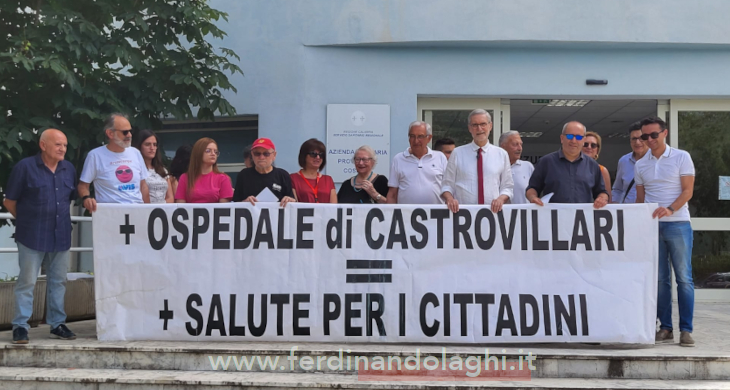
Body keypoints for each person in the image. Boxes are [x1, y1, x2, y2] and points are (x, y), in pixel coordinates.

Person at [3, 129, 78, 344]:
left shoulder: (68, 169)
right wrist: (28, 220)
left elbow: (68, 199)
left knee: (59, 281)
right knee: (27, 282)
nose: (63, 148)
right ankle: (20, 326)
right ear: (43, 145)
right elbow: (9, 201)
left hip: (61, 234)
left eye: (64, 145)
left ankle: (57, 324)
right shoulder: (25, 167)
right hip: (31, 235)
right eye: (57, 144)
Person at [634, 116, 696, 347]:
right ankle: (666, 328)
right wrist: (638, 223)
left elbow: (688, 191)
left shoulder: (681, 157)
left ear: (664, 133)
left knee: (684, 279)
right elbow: (640, 199)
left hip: (678, 223)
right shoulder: (640, 164)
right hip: (652, 227)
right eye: (644, 136)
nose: (649, 139)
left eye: (653, 135)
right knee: (660, 280)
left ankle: (686, 330)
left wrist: (670, 209)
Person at [441, 109, 513, 213]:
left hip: (493, 214)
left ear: (490, 126)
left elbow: (507, 186)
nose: (479, 129)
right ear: (469, 128)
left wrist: (500, 199)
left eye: (483, 124)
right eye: (475, 125)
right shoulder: (457, 153)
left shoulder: (501, 154)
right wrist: (450, 199)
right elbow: (447, 185)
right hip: (463, 215)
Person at [526, 121, 608, 208]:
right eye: (569, 136)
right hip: (553, 218)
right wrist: (533, 197)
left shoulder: (593, 165)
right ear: (562, 138)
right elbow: (532, 188)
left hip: (582, 219)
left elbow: (602, 192)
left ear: (583, 140)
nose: (574, 140)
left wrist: (601, 198)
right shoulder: (546, 162)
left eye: (579, 137)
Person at [78, 113, 149, 212]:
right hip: (110, 214)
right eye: (125, 132)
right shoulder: (95, 155)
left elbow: (143, 185)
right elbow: (83, 186)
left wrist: (148, 210)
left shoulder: (135, 153)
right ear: (110, 133)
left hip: (137, 212)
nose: (129, 135)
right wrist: (86, 198)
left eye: (130, 131)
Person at [387, 121, 447, 204]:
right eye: (412, 136)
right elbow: (392, 194)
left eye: (420, 136)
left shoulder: (440, 157)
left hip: (436, 214)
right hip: (406, 214)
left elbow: (449, 187)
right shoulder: (398, 159)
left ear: (429, 138)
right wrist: (392, 215)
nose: (416, 141)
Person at [233, 138, 295, 207]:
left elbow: (292, 202)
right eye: (257, 154)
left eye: (266, 154)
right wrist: (245, 202)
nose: (261, 157)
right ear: (252, 155)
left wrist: (289, 200)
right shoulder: (243, 175)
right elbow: (235, 204)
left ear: (274, 155)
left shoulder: (283, 175)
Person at [175, 138, 233, 203]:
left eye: (216, 152)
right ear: (198, 153)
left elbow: (224, 209)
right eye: (208, 151)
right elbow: (180, 206)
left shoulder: (223, 178)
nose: (213, 154)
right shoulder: (185, 178)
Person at [291, 138, 337, 203]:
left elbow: (334, 207)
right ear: (304, 156)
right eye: (313, 154)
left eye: (321, 155)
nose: (318, 157)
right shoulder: (293, 178)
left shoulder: (328, 180)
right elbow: (293, 206)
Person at [612, 122, 648, 203]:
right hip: (628, 212)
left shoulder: (656, 160)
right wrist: (615, 205)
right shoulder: (623, 161)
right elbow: (617, 189)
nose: (637, 142)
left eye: (641, 138)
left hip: (649, 212)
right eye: (634, 139)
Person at [134, 129, 173, 203]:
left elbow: (170, 196)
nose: (152, 148)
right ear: (139, 146)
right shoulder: (135, 170)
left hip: (163, 212)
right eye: (147, 144)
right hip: (145, 210)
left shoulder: (162, 169)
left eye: (155, 145)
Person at [498, 130, 534, 204]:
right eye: (515, 144)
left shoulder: (528, 167)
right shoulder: (494, 167)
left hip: (523, 214)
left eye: (521, 144)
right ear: (503, 147)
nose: (520, 148)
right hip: (499, 214)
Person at [582, 131, 613, 202]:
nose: (589, 147)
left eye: (593, 145)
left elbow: (608, 198)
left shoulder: (601, 170)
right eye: (585, 144)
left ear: (597, 150)